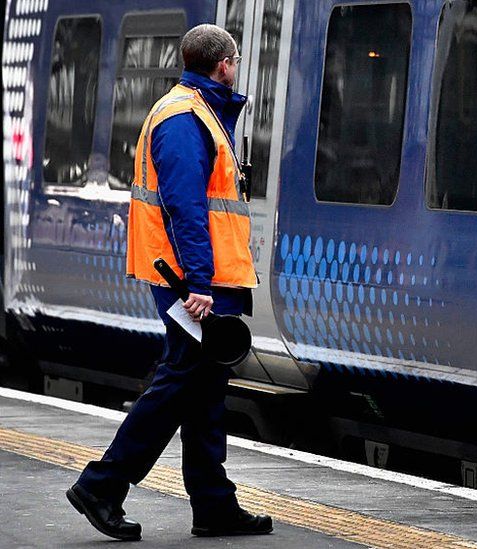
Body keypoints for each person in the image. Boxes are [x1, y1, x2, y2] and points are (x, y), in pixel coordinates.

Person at [65, 24, 271, 541]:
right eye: (237, 59)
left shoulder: (193, 110)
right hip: (190, 281)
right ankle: (102, 485)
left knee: (204, 388)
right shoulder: (184, 117)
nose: (238, 66)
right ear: (223, 64)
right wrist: (199, 283)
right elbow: (186, 209)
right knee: (180, 382)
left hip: (199, 277)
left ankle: (213, 504)